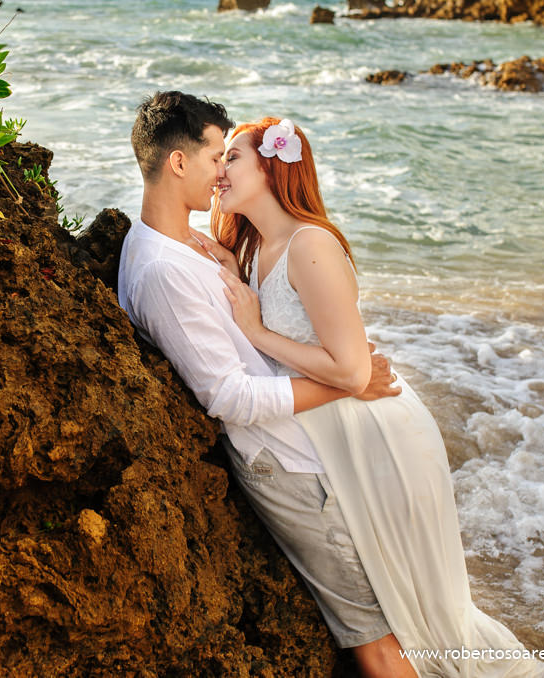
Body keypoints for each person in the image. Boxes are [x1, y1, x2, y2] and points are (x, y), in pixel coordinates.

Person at [200, 115, 544, 678]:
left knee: (421, 610)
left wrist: (257, 333)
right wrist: (230, 272)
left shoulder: (310, 243)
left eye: (233, 157)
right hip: (334, 434)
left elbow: (351, 368)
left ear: (272, 168)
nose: (219, 170)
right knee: (400, 603)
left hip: (377, 437)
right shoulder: (258, 249)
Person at [117, 91, 417, 678]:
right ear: (178, 163)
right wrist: (351, 383)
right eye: (214, 159)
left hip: (304, 448)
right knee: (377, 638)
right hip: (284, 463)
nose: (220, 175)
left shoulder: (188, 249)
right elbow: (230, 397)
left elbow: (237, 336)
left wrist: (231, 272)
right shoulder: (161, 269)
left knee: (390, 616)